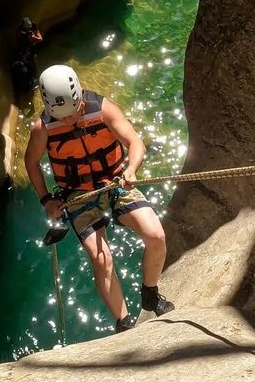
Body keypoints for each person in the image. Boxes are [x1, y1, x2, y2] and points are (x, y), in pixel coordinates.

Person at [23, 64, 175, 333]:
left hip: (115, 181)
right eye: (63, 117)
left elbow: (135, 142)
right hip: (79, 194)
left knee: (156, 236)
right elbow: (31, 162)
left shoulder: (103, 109)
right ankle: (124, 322)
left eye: (73, 113)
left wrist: (131, 168)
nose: (69, 120)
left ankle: (150, 294)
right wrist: (46, 199)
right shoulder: (43, 128)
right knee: (101, 258)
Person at [12, 17, 43, 93]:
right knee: (27, 65)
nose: (29, 28)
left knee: (34, 63)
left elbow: (40, 39)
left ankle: (37, 77)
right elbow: (19, 39)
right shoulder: (20, 31)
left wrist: (34, 38)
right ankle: (30, 81)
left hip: (32, 49)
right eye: (27, 27)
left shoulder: (33, 26)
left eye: (29, 26)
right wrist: (27, 37)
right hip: (24, 49)